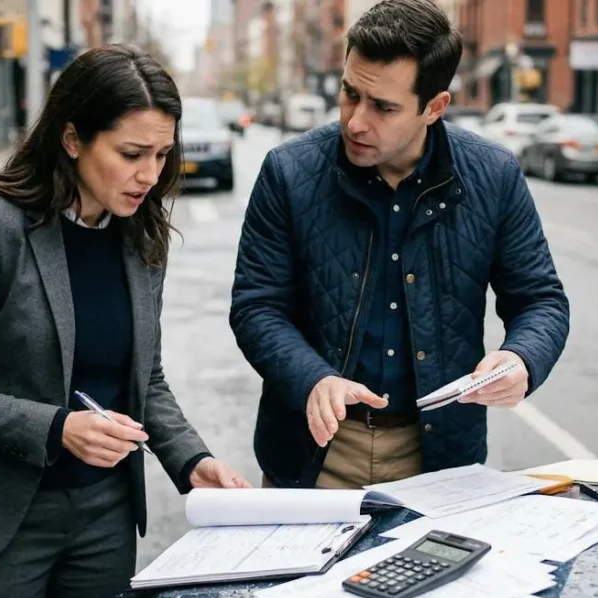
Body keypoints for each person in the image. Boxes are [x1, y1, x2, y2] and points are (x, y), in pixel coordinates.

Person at [0, 45, 251, 598]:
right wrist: (58, 428)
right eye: (131, 154)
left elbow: (146, 378)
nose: (150, 174)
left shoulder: (141, 233)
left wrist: (191, 461)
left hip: (102, 521)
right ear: (72, 138)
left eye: (162, 154)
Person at [229, 0, 570, 489]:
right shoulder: (288, 172)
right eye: (350, 94)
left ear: (434, 107)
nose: (355, 122)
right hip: (313, 454)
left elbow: (541, 300)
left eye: (383, 107)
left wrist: (522, 359)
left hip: (442, 460)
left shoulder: (494, 175)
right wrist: (313, 379)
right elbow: (256, 307)